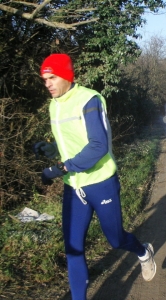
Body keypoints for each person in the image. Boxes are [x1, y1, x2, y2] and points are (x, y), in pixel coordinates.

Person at [36, 53, 156, 300]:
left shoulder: (89, 99)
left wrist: (60, 169)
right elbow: (68, 146)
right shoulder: (53, 105)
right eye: (45, 79)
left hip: (101, 183)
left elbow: (98, 146)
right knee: (73, 249)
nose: (47, 83)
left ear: (67, 76)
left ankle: (143, 252)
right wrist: (50, 150)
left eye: (52, 77)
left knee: (116, 239)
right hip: (74, 187)